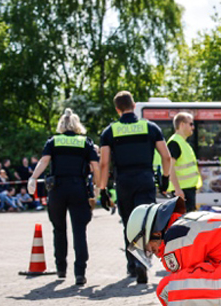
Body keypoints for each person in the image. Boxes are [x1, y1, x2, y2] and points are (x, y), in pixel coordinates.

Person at [99, 91, 171, 284]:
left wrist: (103, 189)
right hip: (145, 179)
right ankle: (143, 261)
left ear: (117, 109)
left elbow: (104, 164)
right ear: (134, 105)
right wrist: (165, 178)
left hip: (124, 182)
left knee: (129, 222)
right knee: (145, 222)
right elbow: (166, 156)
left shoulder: (109, 131)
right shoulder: (150, 127)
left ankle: (132, 265)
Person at [28, 110, 100, 285]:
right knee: (79, 231)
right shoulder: (85, 142)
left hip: (57, 189)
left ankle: (61, 269)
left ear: (61, 125)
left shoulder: (53, 141)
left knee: (58, 229)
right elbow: (95, 167)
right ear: (77, 125)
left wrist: (33, 178)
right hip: (78, 189)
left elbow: (44, 162)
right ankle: (80, 273)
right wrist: (98, 187)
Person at [166, 111, 201, 210]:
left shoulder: (182, 142)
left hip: (187, 190)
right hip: (182, 191)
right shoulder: (175, 143)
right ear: (182, 124)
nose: (193, 127)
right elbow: (170, 167)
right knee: (183, 222)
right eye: (191, 124)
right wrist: (177, 190)